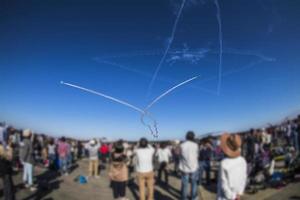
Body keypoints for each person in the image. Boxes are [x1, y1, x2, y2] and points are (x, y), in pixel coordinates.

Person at [217, 133, 247, 200]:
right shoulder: (243, 160)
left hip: (226, 196)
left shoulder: (224, 163)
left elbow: (224, 184)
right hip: (238, 194)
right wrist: (239, 193)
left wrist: (232, 196)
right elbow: (244, 178)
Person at [179, 131, 199, 200]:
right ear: (193, 137)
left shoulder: (182, 145)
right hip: (194, 167)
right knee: (194, 184)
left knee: (185, 185)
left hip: (184, 168)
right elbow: (196, 155)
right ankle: (193, 198)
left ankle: (184, 198)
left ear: (186, 137)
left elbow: (179, 155)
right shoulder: (196, 145)